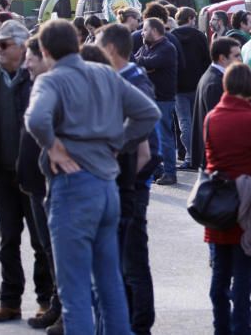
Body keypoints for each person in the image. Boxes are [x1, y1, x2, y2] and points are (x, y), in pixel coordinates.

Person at [24, 19, 161, 334]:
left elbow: (36, 118)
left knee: (75, 292)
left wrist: (54, 148)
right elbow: (148, 112)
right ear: (76, 43)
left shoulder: (52, 80)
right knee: (109, 284)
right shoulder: (105, 75)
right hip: (106, 187)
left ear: (44, 51)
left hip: (73, 187)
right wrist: (117, 143)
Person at [0, 20, 54, 324]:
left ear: (22, 47)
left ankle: (46, 299)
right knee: (8, 238)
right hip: (0, 170)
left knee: (39, 241)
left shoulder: (36, 75)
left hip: (31, 173)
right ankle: (10, 300)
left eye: (3, 44)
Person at [96, 23, 160, 335]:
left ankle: (139, 323)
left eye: (97, 44)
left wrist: (116, 167)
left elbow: (145, 147)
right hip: (124, 182)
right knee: (122, 261)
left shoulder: (133, 82)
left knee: (132, 260)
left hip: (131, 185)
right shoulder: (121, 79)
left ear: (110, 49)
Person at [204, 63, 251, 335]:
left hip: (218, 203)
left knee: (220, 275)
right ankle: (242, 328)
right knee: (243, 278)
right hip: (246, 204)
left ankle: (221, 328)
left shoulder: (212, 118)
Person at [15, 36, 63, 332]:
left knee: (59, 252)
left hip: (53, 185)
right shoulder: (35, 84)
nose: (26, 63)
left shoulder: (57, 87)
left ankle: (65, 313)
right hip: (34, 183)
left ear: (45, 56)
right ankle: (57, 307)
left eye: (31, 57)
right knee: (48, 249)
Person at [134, 17, 180, 186]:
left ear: (154, 31)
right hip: (149, 99)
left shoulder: (167, 48)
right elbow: (139, 63)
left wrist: (144, 64)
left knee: (165, 137)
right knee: (150, 137)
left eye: (144, 30)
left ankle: (170, 172)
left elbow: (150, 62)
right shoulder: (146, 46)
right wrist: (144, 65)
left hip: (163, 99)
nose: (141, 33)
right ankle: (157, 169)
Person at [191, 38, 243, 169]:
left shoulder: (214, 77)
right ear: (222, 58)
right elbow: (217, 125)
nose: (241, 59)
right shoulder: (215, 83)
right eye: (236, 55)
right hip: (215, 158)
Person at [171, 7, 210, 170]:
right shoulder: (199, 36)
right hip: (198, 84)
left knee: (184, 122)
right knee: (200, 121)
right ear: (191, 18)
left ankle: (189, 156)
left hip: (179, 86)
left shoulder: (171, 36)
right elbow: (207, 60)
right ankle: (202, 155)